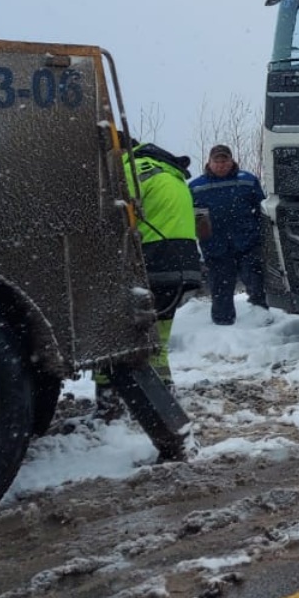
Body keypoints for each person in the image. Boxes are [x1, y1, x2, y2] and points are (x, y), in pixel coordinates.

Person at [97, 138, 200, 418]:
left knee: (110, 332)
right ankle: (165, 393)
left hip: (153, 263)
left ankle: (107, 402)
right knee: (159, 336)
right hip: (183, 267)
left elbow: (106, 213)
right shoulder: (168, 172)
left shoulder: (130, 170)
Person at [189, 143, 266, 325]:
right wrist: (205, 240)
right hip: (216, 245)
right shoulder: (197, 186)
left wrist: (258, 233)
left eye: (225, 160)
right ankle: (223, 321)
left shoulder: (247, 180)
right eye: (217, 161)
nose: (222, 164)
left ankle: (261, 315)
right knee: (220, 284)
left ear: (232, 161)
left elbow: (261, 208)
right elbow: (194, 216)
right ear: (210, 162)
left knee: (255, 280)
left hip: (247, 241)